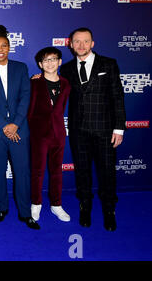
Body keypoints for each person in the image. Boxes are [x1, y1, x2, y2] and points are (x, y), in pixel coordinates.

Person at [60, 27, 126, 231]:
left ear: (92, 43)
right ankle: (85, 207)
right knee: (82, 172)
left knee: (107, 172)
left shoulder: (109, 64)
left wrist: (119, 128)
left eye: (85, 41)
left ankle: (109, 210)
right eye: (76, 41)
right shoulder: (67, 68)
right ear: (70, 44)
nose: (81, 45)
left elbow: (118, 97)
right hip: (79, 131)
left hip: (105, 130)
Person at [0, 25, 39, 230]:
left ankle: (25, 213)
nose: (0, 49)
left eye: (4, 45)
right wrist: (4, 126)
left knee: (22, 172)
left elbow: (25, 97)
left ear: (9, 48)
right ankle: (1, 208)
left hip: (19, 130)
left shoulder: (21, 68)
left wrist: (15, 124)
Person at [27, 47, 71, 222]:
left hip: (59, 132)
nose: (50, 63)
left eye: (53, 59)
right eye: (46, 60)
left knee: (56, 171)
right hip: (39, 134)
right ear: (40, 64)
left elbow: (61, 108)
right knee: (37, 171)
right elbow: (29, 110)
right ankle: (36, 203)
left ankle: (56, 205)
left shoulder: (66, 84)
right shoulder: (35, 83)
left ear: (59, 62)